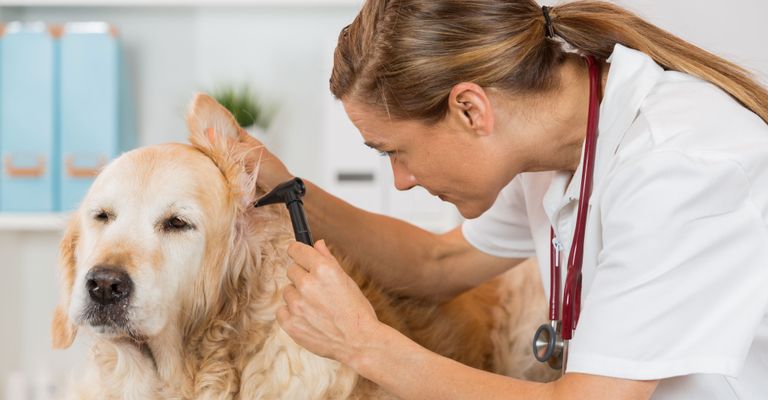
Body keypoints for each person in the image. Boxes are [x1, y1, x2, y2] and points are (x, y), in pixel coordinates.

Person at [237, 1, 768, 398]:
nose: (400, 179)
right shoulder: (552, 146)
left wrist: (364, 344)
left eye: (394, 151)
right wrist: (287, 188)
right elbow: (435, 264)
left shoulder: (677, 165)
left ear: (471, 110)